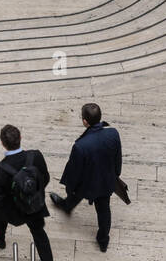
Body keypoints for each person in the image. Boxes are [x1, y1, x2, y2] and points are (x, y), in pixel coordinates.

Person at [0, 124, 57, 261]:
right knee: (40, 236)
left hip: (14, 212)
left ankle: (0, 239)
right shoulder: (36, 156)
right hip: (34, 207)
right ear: (20, 139)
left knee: (1, 214)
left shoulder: (0, 170)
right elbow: (45, 178)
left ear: (2, 143)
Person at [49, 102, 123, 253]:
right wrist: (115, 175)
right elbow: (118, 158)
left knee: (76, 194)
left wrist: (70, 188)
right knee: (104, 211)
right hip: (106, 181)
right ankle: (103, 240)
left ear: (85, 121)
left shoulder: (81, 146)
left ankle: (67, 205)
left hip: (87, 183)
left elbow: (74, 172)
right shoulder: (113, 133)